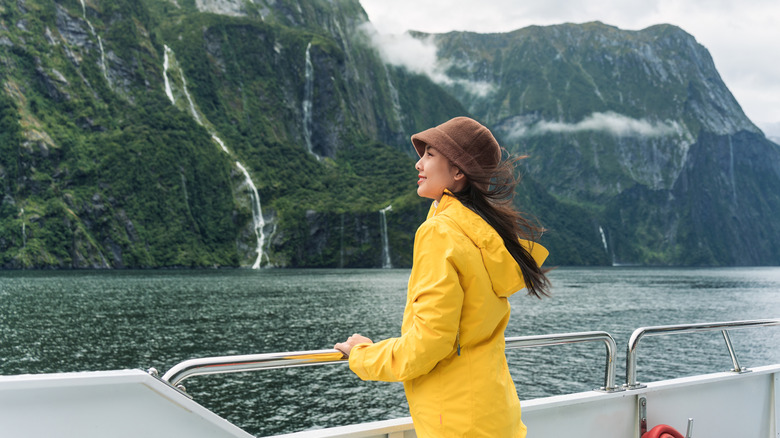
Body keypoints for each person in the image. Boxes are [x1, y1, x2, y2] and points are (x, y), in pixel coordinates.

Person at [334, 116, 550, 437]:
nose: (418, 164)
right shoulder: (484, 234)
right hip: (495, 414)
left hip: (456, 423)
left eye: (430, 155)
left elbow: (428, 344)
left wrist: (363, 355)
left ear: (458, 171)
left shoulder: (440, 233)